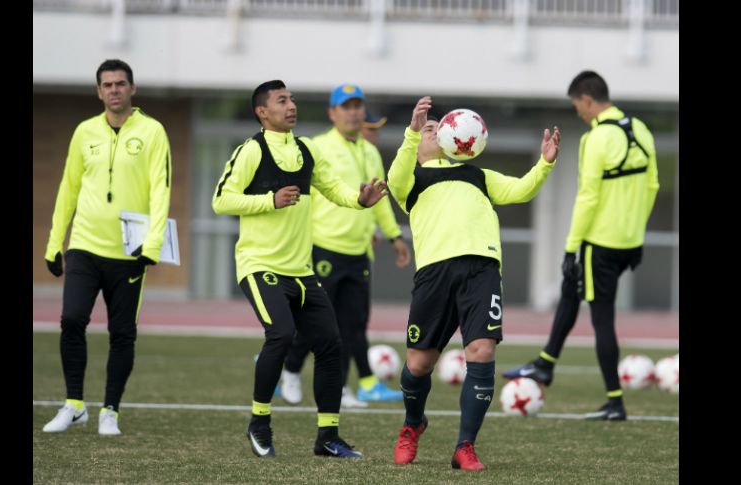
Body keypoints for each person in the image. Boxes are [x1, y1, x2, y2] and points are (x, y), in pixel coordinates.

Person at [212, 80, 388, 459]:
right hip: (260, 265)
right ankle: (259, 423)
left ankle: (327, 437)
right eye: (281, 100)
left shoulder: (307, 149)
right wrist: (269, 200)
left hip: (301, 270)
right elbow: (220, 200)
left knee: (331, 345)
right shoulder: (251, 151)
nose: (291, 105)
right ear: (263, 112)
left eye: (291, 99)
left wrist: (360, 200)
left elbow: (334, 189)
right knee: (282, 334)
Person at [388, 96, 560, 471]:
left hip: (482, 270)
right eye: (431, 130)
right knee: (418, 364)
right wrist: (413, 131)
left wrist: (544, 164)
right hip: (434, 274)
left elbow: (519, 190)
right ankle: (413, 423)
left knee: (481, 352)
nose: (437, 132)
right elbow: (394, 179)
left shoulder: (477, 175)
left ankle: (465, 445)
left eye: (438, 127)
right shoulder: (412, 180)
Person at [502, 70, 659, 421]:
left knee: (602, 317)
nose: (578, 113)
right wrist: (636, 234)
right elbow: (652, 186)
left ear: (587, 99)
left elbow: (587, 197)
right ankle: (545, 364)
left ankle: (614, 401)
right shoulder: (642, 130)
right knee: (570, 291)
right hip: (628, 241)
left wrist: (571, 248)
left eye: (577, 106)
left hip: (598, 241)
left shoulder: (597, 137)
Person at [42, 59, 172, 436]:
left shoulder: (153, 131)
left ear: (132, 88)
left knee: (122, 333)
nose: (114, 89)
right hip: (84, 245)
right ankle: (74, 404)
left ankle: (110, 410)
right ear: (99, 91)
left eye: (120, 83)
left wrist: (154, 243)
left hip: (129, 252)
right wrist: (55, 243)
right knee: (71, 320)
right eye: (107, 84)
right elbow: (68, 189)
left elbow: (161, 189)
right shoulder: (84, 132)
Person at [279, 84, 411, 409]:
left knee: (352, 327)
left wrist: (394, 236)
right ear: (332, 113)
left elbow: (380, 201)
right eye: (346, 106)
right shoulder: (317, 146)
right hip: (323, 249)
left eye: (357, 106)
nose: (353, 112)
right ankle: (291, 371)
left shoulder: (369, 152)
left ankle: (338, 389)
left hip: (358, 255)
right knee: (318, 324)